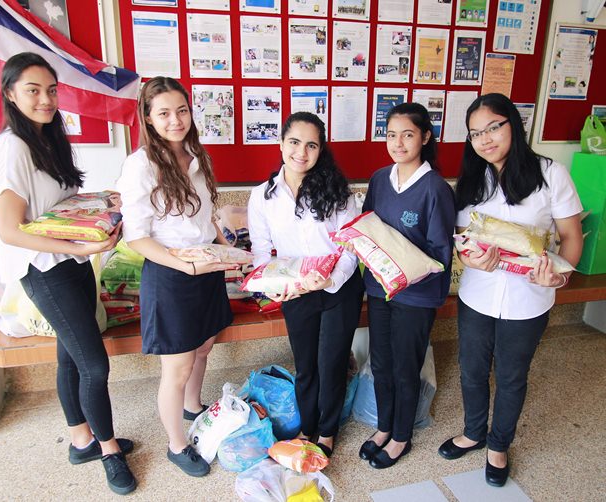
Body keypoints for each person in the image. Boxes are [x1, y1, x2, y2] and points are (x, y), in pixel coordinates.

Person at [0, 52, 136, 495]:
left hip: (71, 262)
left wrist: (96, 201)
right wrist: (84, 245)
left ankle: (80, 440)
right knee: (94, 363)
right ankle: (109, 450)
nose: (45, 99)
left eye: (51, 90)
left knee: (70, 355)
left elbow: (54, 207)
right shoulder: (10, 147)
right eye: (33, 90)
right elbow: (11, 230)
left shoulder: (47, 137)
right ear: (11, 94)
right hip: (45, 270)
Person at [438, 93, 583, 487]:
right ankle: (473, 432)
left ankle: (498, 445)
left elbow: (570, 236)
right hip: (477, 295)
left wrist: (560, 275)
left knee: (512, 375)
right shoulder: (471, 179)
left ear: (513, 125)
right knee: (471, 369)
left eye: (493, 127)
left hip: (529, 297)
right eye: (474, 133)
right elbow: (463, 239)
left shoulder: (551, 174)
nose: (484, 139)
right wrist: (468, 258)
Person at [116, 76, 236, 477]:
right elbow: (137, 238)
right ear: (148, 118)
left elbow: (204, 216)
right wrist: (182, 264)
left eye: (182, 110)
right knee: (177, 367)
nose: (175, 120)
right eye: (164, 113)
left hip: (206, 267)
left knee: (204, 347)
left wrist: (227, 245)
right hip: (171, 276)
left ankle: (193, 406)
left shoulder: (196, 154)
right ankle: (177, 444)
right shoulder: (140, 166)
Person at [248, 112, 364, 459]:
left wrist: (330, 279)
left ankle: (327, 432)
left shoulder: (336, 191)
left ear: (320, 149)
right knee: (306, 365)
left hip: (338, 289)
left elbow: (350, 244)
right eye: (294, 142)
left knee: (331, 363)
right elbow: (260, 250)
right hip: (296, 291)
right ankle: (306, 427)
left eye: (311, 144)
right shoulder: (262, 196)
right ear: (281, 143)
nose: (302, 152)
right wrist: (270, 285)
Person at [357, 103, 455, 469]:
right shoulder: (380, 178)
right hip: (380, 287)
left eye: (408, 134)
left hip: (416, 294)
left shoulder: (435, 189)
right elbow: (368, 226)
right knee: (380, 361)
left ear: (425, 137)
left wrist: (403, 266)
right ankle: (383, 427)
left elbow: (440, 253)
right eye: (391, 134)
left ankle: (401, 437)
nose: (398, 143)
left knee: (404, 365)